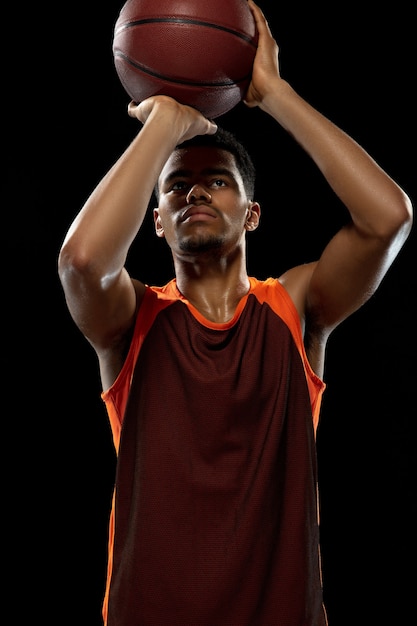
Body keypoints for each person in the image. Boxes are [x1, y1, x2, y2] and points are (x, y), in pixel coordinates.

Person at [58, 1, 412, 624]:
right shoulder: (131, 320)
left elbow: (389, 218)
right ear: (157, 223)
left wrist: (272, 94)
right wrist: (162, 130)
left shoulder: (294, 306)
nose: (195, 189)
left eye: (217, 180)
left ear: (252, 214)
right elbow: (83, 261)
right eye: (174, 187)